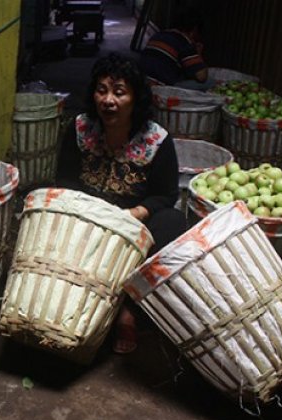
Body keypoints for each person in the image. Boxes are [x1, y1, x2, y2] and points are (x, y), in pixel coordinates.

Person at [67, 53, 187, 353]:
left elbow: (165, 194)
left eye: (119, 92)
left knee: (173, 221)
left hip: (135, 224)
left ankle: (129, 310)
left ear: (135, 98)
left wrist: (131, 214)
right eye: (102, 90)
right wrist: (87, 211)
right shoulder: (81, 129)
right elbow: (64, 179)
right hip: (87, 217)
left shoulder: (156, 140)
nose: (108, 100)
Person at [138, 7, 213, 91]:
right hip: (160, 87)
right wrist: (198, 54)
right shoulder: (184, 42)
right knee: (210, 82)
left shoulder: (159, 34)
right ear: (195, 30)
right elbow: (202, 77)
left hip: (142, 81)